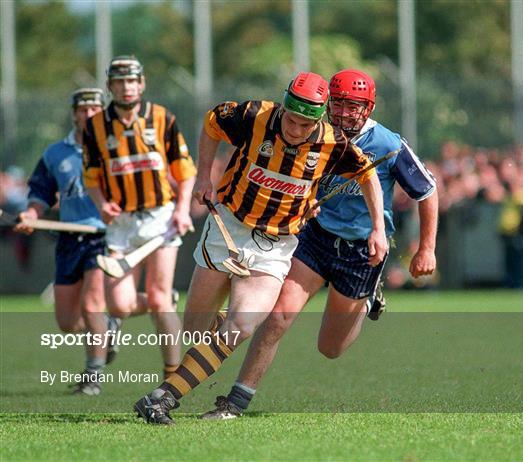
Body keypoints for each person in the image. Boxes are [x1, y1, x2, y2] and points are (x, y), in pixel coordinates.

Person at [133, 71, 388, 424]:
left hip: (276, 244)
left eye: (305, 125)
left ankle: (161, 398)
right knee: (194, 330)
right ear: (283, 107)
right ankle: (182, 372)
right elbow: (212, 122)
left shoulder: (333, 143)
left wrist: (378, 228)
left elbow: (367, 175)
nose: (295, 131)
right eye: (291, 120)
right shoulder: (254, 116)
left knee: (242, 325)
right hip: (228, 228)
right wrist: (204, 176)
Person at [200, 69, 439, 419]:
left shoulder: (388, 144)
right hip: (315, 237)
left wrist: (426, 248)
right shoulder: (313, 133)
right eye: (338, 105)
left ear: (368, 108)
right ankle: (236, 403)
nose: (344, 114)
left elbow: (428, 191)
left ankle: (368, 297)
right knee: (278, 316)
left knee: (330, 348)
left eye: (353, 107)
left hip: (361, 253)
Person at [82, 56, 197, 378]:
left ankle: (172, 376)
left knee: (160, 301)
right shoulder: (95, 127)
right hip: (121, 225)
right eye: (119, 82)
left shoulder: (162, 118)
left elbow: (185, 172)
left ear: (142, 83)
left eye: (132, 81)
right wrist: (102, 204)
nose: (127, 87)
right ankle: (163, 300)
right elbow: (91, 177)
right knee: (119, 305)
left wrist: (182, 208)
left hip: (160, 218)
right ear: (109, 87)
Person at [15, 88, 117, 395]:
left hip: (103, 236)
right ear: (74, 112)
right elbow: (40, 193)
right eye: (82, 109)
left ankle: (93, 377)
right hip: (69, 239)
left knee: (91, 305)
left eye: (94, 108)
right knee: (67, 322)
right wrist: (31, 214)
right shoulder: (55, 153)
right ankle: (109, 328)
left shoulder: (117, 148)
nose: (88, 114)